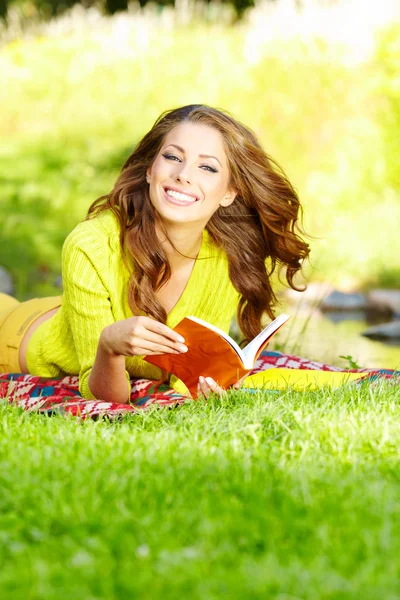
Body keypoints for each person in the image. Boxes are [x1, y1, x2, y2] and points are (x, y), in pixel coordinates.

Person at [0, 104, 310, 403]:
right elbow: (103, 397)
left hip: (56, 313)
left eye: (207, 167)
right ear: (150, 170)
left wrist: (209, 386)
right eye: (173, 157)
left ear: (229, 192)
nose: (183, 175)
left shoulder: (224, 259)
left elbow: (187, 378)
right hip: (11, 339)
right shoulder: (91, 244)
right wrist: (109, 347)